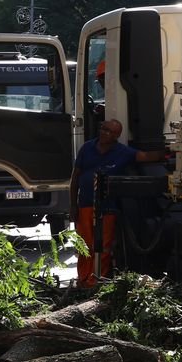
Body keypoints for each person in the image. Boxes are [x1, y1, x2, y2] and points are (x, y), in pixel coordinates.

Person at [68, 119, 164, 287]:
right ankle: (83, 281)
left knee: (103, 247)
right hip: (85, 205)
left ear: (117, 136)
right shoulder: (87, 148)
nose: (105, 133)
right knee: (85, 245)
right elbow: (75, 178)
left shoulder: (123, 152)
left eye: (110, 132)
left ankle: (96, 282)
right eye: (104, 129)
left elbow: (146, 157)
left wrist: (171, 150)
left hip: (107, 207)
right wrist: (73, 204)